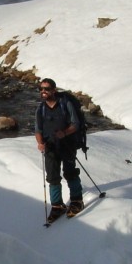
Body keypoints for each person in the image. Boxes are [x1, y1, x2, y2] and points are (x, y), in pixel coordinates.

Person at [35, 78, 84, 221]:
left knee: (70, 172)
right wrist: (40, 143)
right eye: (41, 89)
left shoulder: (65, 104)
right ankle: (57, 206)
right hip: (50, 147)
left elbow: (76, 124)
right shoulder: (41, 108)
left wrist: (65, 133)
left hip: (67, 144)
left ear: (54, 90)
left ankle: (77, 200)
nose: (43, 91)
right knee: (52, 177)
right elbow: (38, 129)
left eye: (47, 89)